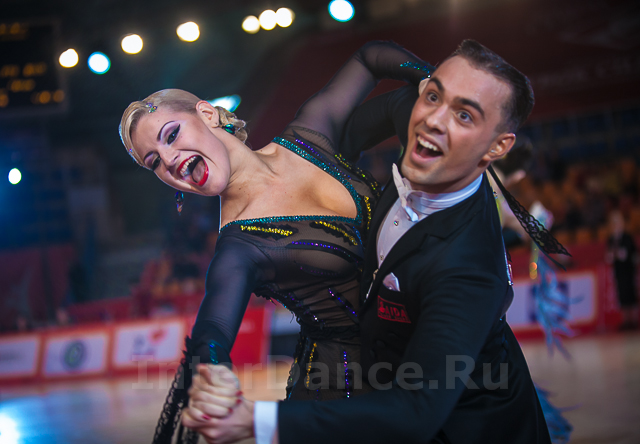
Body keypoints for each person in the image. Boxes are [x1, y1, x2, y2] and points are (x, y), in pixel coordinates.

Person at [183, 40, 571, 444]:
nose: (435, 120)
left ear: (496, 147)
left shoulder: (468, 267)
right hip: (360, 385)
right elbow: (371, 64)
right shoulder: (418, 160)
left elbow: (417, 410)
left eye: (464, 115)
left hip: (468, 426)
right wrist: (212, 366)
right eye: (433, 96)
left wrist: (256, 421)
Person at [119, 41, 433, 442]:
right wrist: (213, 368)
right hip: (342, 392)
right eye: (154, 163)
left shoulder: (310, 136)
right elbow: (212, 328)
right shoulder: (239, 247)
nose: (169, 160)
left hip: (425, 356)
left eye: (171, 135)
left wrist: (434, 84)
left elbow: (370, 58)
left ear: (207, 114)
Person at [606, 210, 638, 330]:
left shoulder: (627, 237)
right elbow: (609, 256)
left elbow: (629, 254)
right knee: (621, 294)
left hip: (628, 270)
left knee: (631, 293)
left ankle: (633, 320)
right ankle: (625, 320)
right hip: (618, 271)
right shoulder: (611, 239)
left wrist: (618, 254)